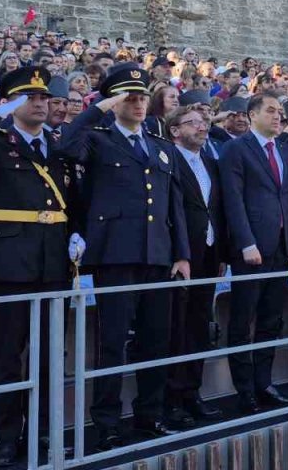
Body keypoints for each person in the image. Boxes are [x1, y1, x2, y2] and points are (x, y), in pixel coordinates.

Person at [54, 64, 192, 451]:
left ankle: (151, 414)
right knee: (112, 343)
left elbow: (174, 205)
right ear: (113, 100)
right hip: (115, 253)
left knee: (155, 340)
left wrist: (181, 253)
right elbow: (65, 146)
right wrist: (99, 107)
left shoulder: (161, 145)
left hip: (157, 255)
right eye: (129, 96)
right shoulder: (98, 139)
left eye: (143, 95)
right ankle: (107, 422)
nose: (138, 102)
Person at [0, 67, 75, 467]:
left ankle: (42, 432)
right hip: (9, 264)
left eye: (43, 97)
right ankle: (6, 438)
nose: (40, 103)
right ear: (11, 103)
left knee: (47, 357)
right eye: (29, 97)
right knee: (8, 357)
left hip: (54, 262)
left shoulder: (56, 146)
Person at [219, 93, 288, 413]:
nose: (278, 116)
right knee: (243, 321)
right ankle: (245, 391)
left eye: (280, 112)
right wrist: (245, 242)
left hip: (281, 250)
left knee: (272, 319)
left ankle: (264, 382)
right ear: (252, 114)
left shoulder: (286, 152)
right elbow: (233, 199)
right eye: (270, 110)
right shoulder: (235, 149)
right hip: (251, 250)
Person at [162, 105, 225, 427]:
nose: (202, 127)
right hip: (180, 258)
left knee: (199, 325)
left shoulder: (211, 163)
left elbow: (217, 209)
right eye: (194, 123)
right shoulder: (166, 159)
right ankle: (171, 400)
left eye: (204, 122)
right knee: (176, 328)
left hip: (209, 256)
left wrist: (222, 254)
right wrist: (178, 253)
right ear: (174, 130)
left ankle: (192, 392)